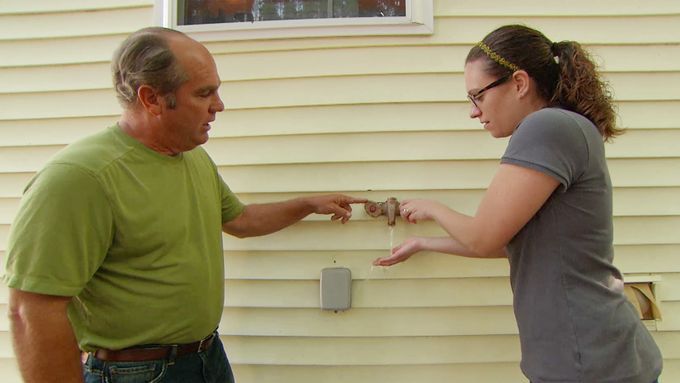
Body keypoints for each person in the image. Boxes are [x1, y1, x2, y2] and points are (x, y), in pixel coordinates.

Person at [3, 26, 366, 383]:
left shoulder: (192, 158)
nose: (219, 106)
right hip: (136, 372)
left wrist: (307, 204)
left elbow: (240, 219)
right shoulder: (81, 178)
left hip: (207, 358)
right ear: (152, 99)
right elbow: (31, 310)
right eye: (204, 93)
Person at [373, 24, 663, 383]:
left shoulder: (546, 126)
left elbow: (483, 238)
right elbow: (520, 246)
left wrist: (433, 208)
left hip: (587, 362)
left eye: (478, 95)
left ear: (520, 83)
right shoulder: (564, 129)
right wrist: (423, 242)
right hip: (591, 355)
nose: (474, 111)